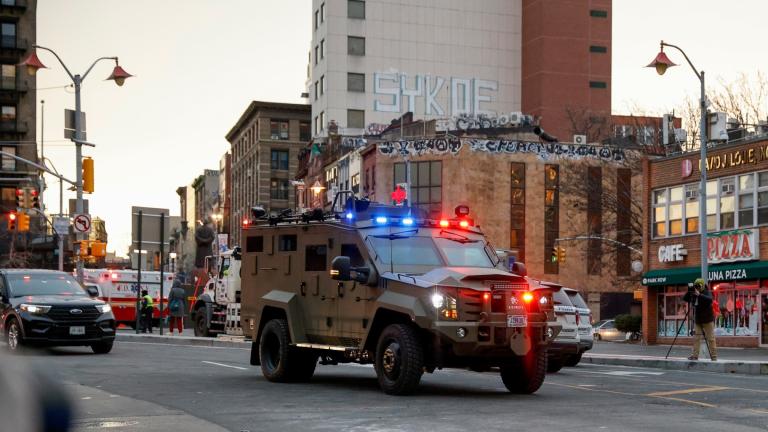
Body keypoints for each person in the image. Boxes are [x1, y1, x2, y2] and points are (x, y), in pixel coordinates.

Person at [683, 278, 717, 361]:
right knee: (696, 338)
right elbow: (685, 298)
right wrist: (690, 291)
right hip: (698, 320)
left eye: (698, 286)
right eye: (696, 286)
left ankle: (714, 356)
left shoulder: (706, 292)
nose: (697, 288)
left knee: (711, 338)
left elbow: (710, 300)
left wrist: (699, 295)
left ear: (702, 286)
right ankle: (695, 355)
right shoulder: (694, 293)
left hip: (708, 319)